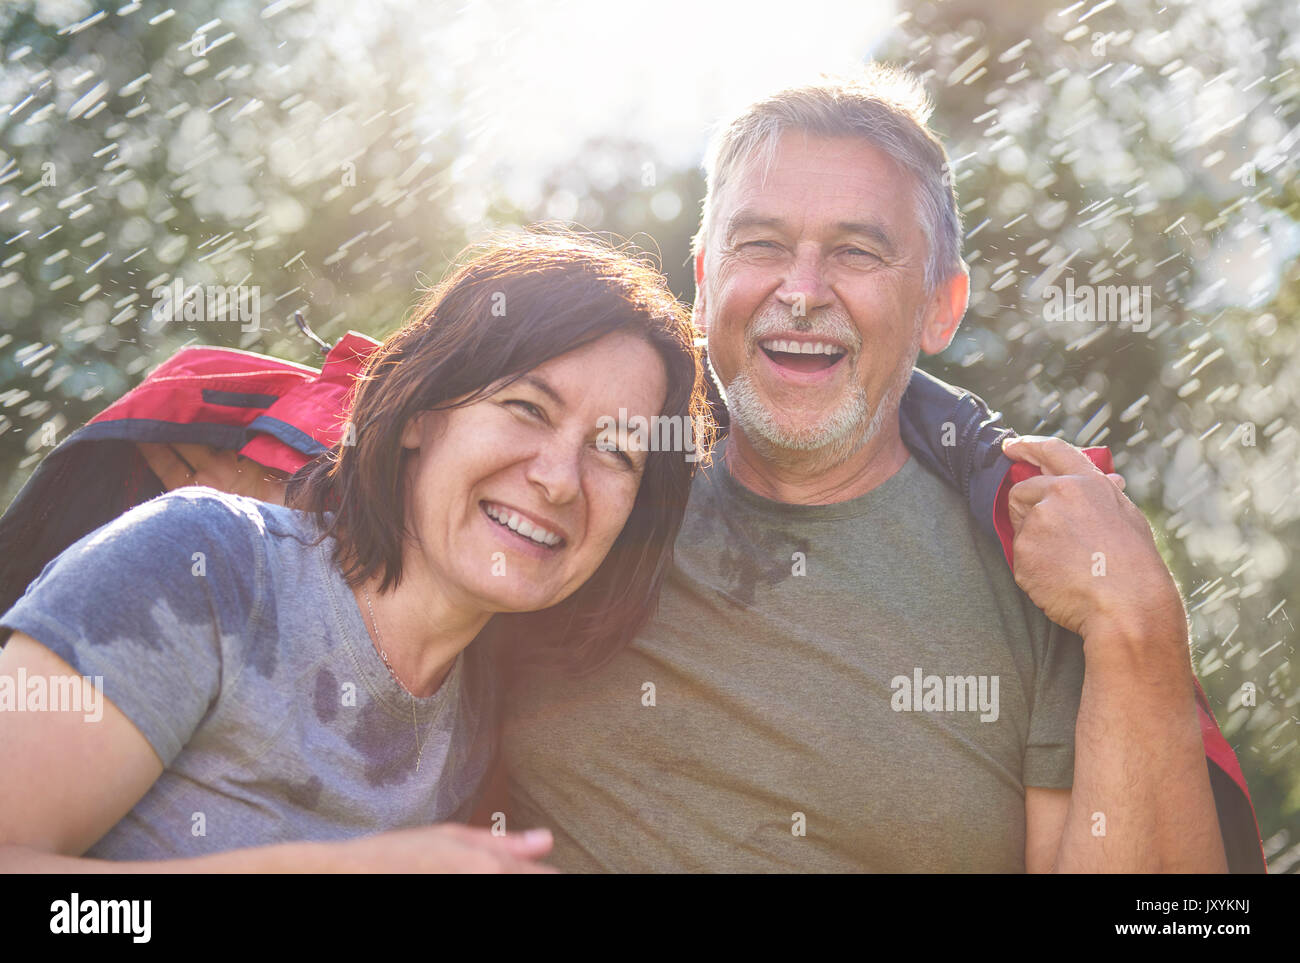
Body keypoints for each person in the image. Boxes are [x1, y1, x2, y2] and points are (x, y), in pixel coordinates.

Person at [494, 65, 1232, 872]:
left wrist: (1142, 627)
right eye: (763, 244)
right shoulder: (591, 485)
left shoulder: (1039, 566)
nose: (802, 292)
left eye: (857, 251)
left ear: (939, 306)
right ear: (703, 285)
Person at [0, 231, 710, 871]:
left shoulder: (479, 717)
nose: (559, 480)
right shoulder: (201, 562)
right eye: (527, 407)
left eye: (614, 451)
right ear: (418, 416)